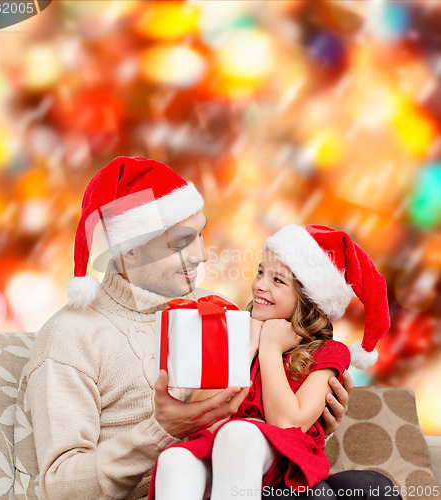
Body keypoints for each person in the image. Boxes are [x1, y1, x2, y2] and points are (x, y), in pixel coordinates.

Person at [27, 157, 394, 500]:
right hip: (180, 480)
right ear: (130, 251)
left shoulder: (220, 310)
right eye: (182, 242)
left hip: (243, 474)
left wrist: (318, 421)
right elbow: (60, 486)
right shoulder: (70, 336)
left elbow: (264, 422)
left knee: (370, 487)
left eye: (201, 235)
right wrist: (163, 430)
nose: (202, 255)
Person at [150, 224, 399, 500]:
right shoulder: (233, 331)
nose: (259, 285)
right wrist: (245, 349)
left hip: (279, 461)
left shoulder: (329, 352)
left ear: (308, 299)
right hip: (218, 453)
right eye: (260, 272)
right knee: (175, 460)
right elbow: (203, 421)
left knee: (238, 433)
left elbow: (286, 424)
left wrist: (269, 347)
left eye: (277, 280)